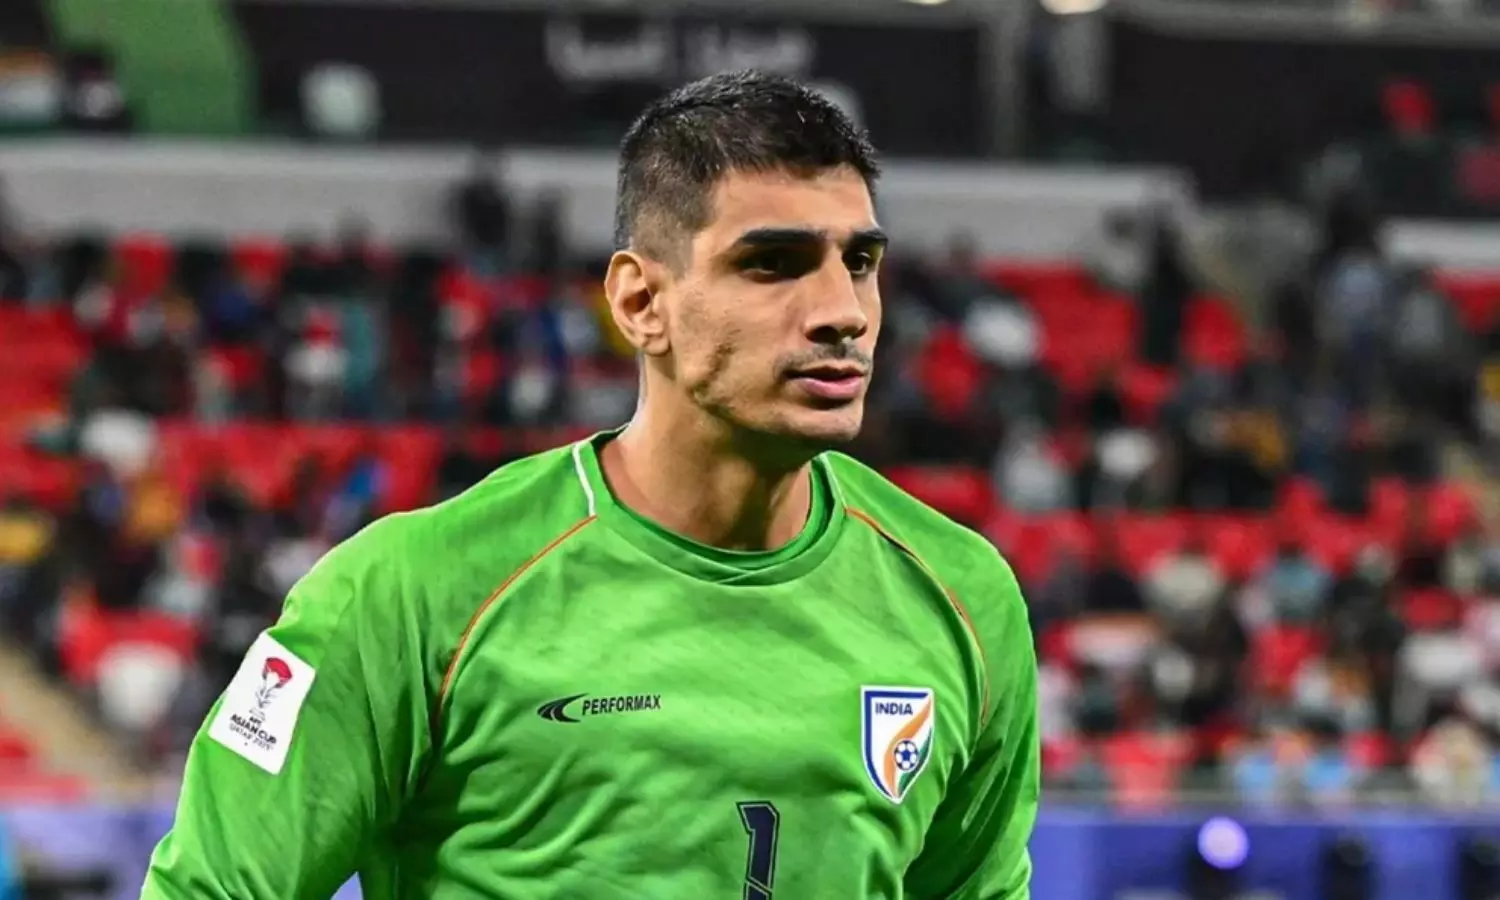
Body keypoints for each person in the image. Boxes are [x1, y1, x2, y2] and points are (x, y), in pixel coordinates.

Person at [141, 70, 1039, 900]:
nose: (842, 311)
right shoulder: (412, 593)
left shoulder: (962, 599)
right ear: (641, 303)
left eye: (861, 262)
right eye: (772, 263)